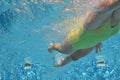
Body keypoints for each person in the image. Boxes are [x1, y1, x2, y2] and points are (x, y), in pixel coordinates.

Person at [48, 0, 120, 67]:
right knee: (63, 50)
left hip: (93, 40)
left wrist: (98, 40)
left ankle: (63, 62)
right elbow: (107, 7)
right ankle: (53, 46)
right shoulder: (94, 21)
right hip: (81, 38)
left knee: (77, 56)